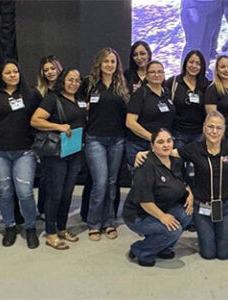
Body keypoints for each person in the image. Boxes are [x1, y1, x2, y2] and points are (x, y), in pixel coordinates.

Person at [136, 111, 228, 259]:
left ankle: (219, 236)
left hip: (225, 207)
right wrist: (145, 153)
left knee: (225, 254)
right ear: (204, 128)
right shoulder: (194, 148)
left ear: (224, 130)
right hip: (203, 208)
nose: (214, 131)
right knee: (208, 254)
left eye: (218, 128)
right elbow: (168, 151)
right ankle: (207, 238)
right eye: (210, 126)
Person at [0, 60, 41, 249]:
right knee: (4, 192)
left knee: (25, 192)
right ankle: (10, 226)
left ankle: (30, 227)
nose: (12, 75)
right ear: (1, 76)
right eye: (8, 72)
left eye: (15, 71)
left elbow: (42, 117)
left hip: (25, 151)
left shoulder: (31, 94)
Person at [30, 68, 87, 250]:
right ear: (63, 80)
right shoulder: (52, 98)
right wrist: (58, 126)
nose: (74, 83)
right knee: (55, 193)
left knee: (67, 191)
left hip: (74, 151)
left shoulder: (78, 100)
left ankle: (62, 228)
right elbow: (35, 120)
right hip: (56, 154)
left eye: (77, 80)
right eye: (70, 80)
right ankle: (51, 233)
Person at [123, 129, 194, 267]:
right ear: (152, 146)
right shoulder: (146, 165)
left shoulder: (176, 161)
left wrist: (190, 194)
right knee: (173, 229)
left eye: (169, 141)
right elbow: (144, 202)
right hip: (140, 215)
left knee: (186, 214)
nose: (166, 145)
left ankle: (163, 247)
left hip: (163, 207)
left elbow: (183, 183)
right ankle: (141, 250)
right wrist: (163, 217)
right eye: (160, 142)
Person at [80, 48, 130, 241]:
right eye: (106, 61)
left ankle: (109, 221)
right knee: (99, 183)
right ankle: (94, 223)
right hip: (95, 139)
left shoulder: (121, 85)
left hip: (117, 139)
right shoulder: (89, 84)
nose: (110, 65)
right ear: (99, 63)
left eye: (113, 61)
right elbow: (77, 106)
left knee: (111, 183)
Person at [125, 61, 174, 171]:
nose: (157, 75)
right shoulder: (140, 94)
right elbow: (130, 122)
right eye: (152, 72)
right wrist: (153, 138)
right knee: (142, 183)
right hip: (139, 146)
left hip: (161, 147)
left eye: (160, 71)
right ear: (146, 75)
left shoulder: (167, 93)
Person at [34, 55, 63, 219]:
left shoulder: (68, 88)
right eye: (46, 70)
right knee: (47, 176)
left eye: (52, 68)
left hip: (66, 138)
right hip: (47, 141)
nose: (50, 72)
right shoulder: (39, 92)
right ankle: (44, 209)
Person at [166, 50, 210, 148]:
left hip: (198, 134)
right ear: (185, 63)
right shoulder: (173, 82)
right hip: (177, 133)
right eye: (191, 62)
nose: (193, 66)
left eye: (198, 63)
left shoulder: (205, 85)